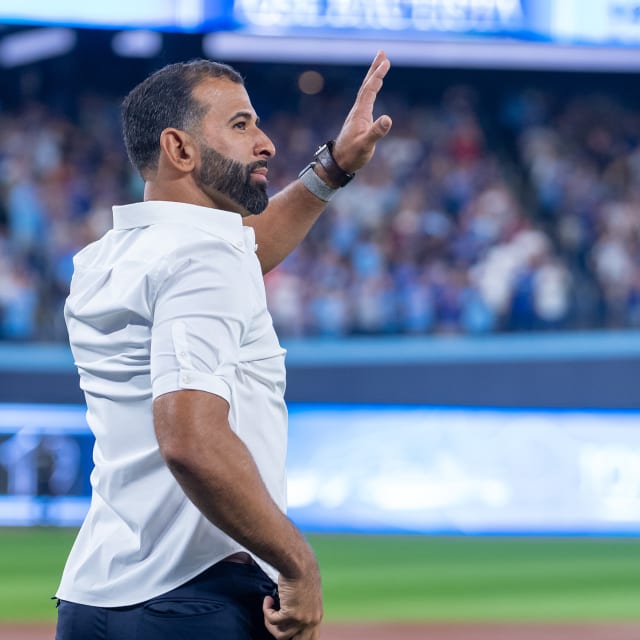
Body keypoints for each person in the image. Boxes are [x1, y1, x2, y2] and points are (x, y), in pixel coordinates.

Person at [54, 51, 392, 640]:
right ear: (179, 149)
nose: (266, 143)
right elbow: (190, 438)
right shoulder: (203, 260)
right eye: (240, 125)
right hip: (193, 603)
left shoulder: (109, 255)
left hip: (95, 601)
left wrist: (334, 167)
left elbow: (243, 251)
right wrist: (297, 565)